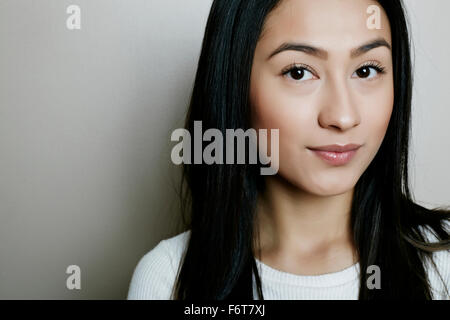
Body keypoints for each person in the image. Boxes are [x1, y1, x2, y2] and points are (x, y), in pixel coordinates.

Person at [127, 0, 450, 300]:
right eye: (299, 72)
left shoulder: (443, 263)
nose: (343, 116)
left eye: (366, 70)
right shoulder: (169, 278)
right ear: (234, 82)